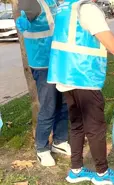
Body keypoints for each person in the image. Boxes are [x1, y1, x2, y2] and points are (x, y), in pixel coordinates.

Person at [47, 0, 114, 184]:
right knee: (96, 128)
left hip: (65, 75)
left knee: (77, 124)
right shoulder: (88, 10)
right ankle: (102, 173)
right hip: (84, 75)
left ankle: (76, 170)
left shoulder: (66, 7)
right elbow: (112, 45)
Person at [16, 0, 70, 167]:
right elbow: (25, 20)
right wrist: (23, 22)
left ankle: (59, 141)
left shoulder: (52, 1)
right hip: (43, 63)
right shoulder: (30, 1)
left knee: (64, 103)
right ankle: (42, 148)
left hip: (58, 60)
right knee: (48, 105)